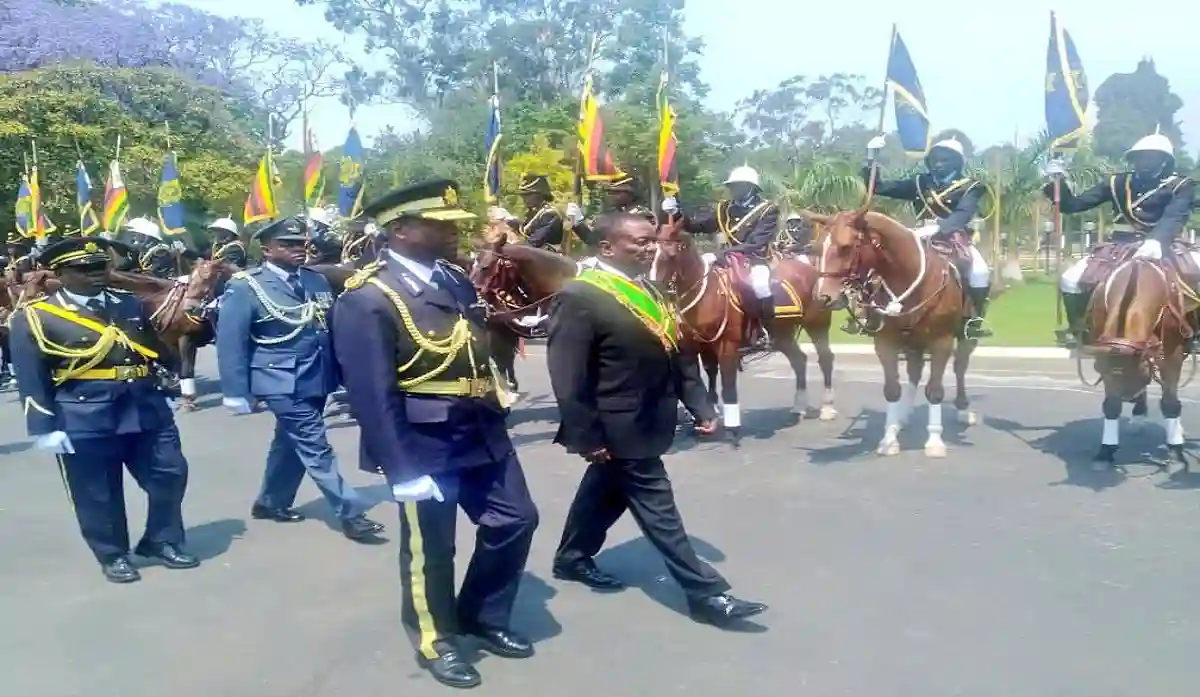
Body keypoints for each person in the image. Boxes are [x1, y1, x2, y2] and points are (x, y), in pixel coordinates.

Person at [333, 180, 540, 689]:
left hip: (479, 426)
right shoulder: (369, 297)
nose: (454, 231)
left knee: (516, 519)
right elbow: (372, 394)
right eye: (440, 224)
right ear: (400, 230)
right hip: (424, 440)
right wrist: (399, 469)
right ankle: (436, 639)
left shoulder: (453, 280)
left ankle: (481, 615)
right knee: (432, 547)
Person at [547, 211, 767, 627]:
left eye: (653, 240)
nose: (651, 247)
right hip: (616, 425)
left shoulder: (650, 289)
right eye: (640, 241)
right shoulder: (580, 296)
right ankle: (706, 593)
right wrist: (586, 435)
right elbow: (567, 376)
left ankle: (572, 557)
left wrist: (701, 405)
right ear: (608, 247)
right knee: (658, 508)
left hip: (651, 419)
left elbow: (678, 353)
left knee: (604, 492)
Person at [8, 237, 197, 583]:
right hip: (84, 414)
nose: (97, 275)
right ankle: (112, 553)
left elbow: (155, 349)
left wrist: (169, 381)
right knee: (97, 491)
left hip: (145, 407)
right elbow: (31, 377)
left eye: (101, 267)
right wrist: (44, 427)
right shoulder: (36, 317)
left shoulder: (128, 304)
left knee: (170, 474)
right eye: (85, 269)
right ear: (61, 273)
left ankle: (162, 538)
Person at [216, 216, 384, 541]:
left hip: (317, 375)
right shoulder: (246, 286)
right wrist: (235, 391)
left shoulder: (315, 280)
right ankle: (350, 512)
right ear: (266, 250)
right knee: (314, 443)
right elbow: (231, 341)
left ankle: (271, 501)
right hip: (278, 380)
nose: (298, 249)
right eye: (288, 244)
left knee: (289, 443)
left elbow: (329, 329)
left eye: (301, 243)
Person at [1046, 131, 1197, 349]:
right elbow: (1074, 205)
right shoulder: (1117, 182)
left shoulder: (1181, 186)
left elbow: (1175, 215)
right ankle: (1080, 331)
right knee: (1071, 279)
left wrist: (1156, 241)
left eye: (1150, 156)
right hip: (1120, 246)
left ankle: (1195, 333)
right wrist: (1056, 182)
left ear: (1164, 160)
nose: (1143, 161)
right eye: (1140, 156)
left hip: (1164, 245)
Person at [864, 135, 993, 338]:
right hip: (917, 236)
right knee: (877, 262)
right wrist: (871, 159)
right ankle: (871, 315)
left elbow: (963, 213)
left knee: (980, 272)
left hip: (953, 237)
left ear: (957, 162)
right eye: (935, 159)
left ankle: (972, 320)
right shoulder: (919, 183)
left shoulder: (972, 186)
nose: (939, 164)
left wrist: (941, 228)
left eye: (945, 160)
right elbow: (879, 187)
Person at [663, 165, 779, 349]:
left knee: (760, 285)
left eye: (738, 186)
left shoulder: (767, 210)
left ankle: (768, 332)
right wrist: (675, 211)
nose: (733, 190)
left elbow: (756, 243)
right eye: (732, 186)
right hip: (726, 259)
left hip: (754, 258)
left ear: (750, 187)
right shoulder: (724, 208)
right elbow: (696, 226)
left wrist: (719, 254)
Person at [570, 174, 658, 269]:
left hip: (631, 268)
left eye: (617, 193)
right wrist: (578, 223)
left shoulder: (641, 216)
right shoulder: (611, 214)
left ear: (630, 194)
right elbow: (593, 240)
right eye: (610, 192)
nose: (612, 196)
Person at [494, 174, 565, 250]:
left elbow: (535, 242)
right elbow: (525, 229)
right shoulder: (534, 211)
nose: (524, 198)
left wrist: (509, 247)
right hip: (535, 255)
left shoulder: (550, 214)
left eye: (528, 195)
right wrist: (510, 221)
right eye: (523, 195)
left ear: (539, 194)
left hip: (549, 257)